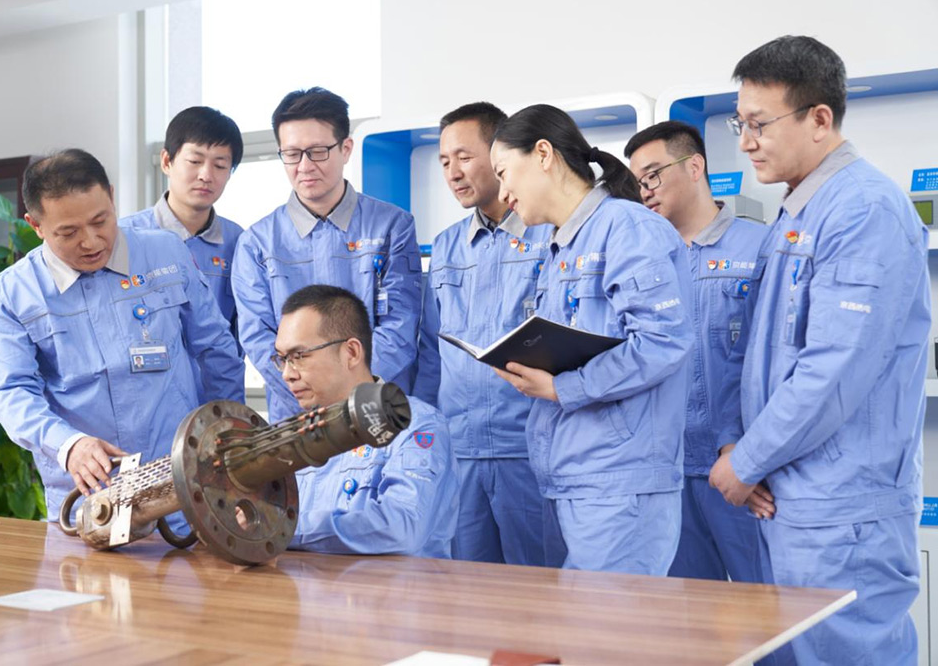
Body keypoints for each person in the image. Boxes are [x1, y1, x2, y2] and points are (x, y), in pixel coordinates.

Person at [708, 35, 929, 664]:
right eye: (740, 124)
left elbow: (834, 369)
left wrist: (748, 460)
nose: (746, 142)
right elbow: (765, 357)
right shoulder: (799, 210)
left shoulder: (864, 209)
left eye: (759, 124)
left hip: (842, 508)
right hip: (794, 498)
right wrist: (741, 451)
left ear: (819, 119)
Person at [0, 149, 244, 522]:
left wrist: (227, 435)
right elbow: (12, 392)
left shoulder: (165, 252)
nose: (91, 242)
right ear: (35, 225)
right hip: (89, 495)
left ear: (111, 196)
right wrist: (68, 445)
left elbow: (217, 350)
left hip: (183, 481)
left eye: (100, 221)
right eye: (68, 232)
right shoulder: (12, 293)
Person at [489, 104, 694, 574]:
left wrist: (563, 387)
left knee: (614, 619)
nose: (502, 193)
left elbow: (662, 342)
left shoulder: (628, 228)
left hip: (619, 482)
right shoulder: (562, 246)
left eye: (503, 173)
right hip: (576, 478)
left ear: (543, 154)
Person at [625, 121, 769, 584]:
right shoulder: (641, 260)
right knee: (685, 615)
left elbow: (776, 366)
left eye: (652, 175)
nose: (645, 190)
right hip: (666, 471)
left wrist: (753, 458)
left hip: (743, 468)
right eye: (636, 183)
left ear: (694, 166)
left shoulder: (760, 247)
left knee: (766, 607)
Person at [414, 102, 550, 566]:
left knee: (539, 589)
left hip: (527, 449)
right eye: (444, 162)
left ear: (499, 155)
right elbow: (431, 353)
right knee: (466, 590)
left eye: (464, 157)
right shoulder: (446, 247)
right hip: (460, 451)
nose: (453, 173)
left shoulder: (547, 234)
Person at [233, 87, 422, 422]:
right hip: (297, 418)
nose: (304, 166)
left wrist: (350, 395)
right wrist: (313, 392)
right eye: (292, 154)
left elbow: (401, 326)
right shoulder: (257, 243)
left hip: (375, 409)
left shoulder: (392, 226)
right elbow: (259, 340)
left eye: (318, 152)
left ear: (345, 149)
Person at [281, 285, 458, 557]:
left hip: (392, 585)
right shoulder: (294, 435)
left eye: (299, 357)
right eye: (281, 359)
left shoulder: (413, 425)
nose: (287, 374)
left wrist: (282, 528)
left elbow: (401, 528)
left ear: (351, 352)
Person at [120, 106, 245, 398]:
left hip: (214, 398)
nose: (206, 175)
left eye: (220, 165)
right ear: (167, 161)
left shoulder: (240, 242)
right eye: (195, 161)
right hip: (145, 398)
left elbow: (240, 332)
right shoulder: (125, 237)